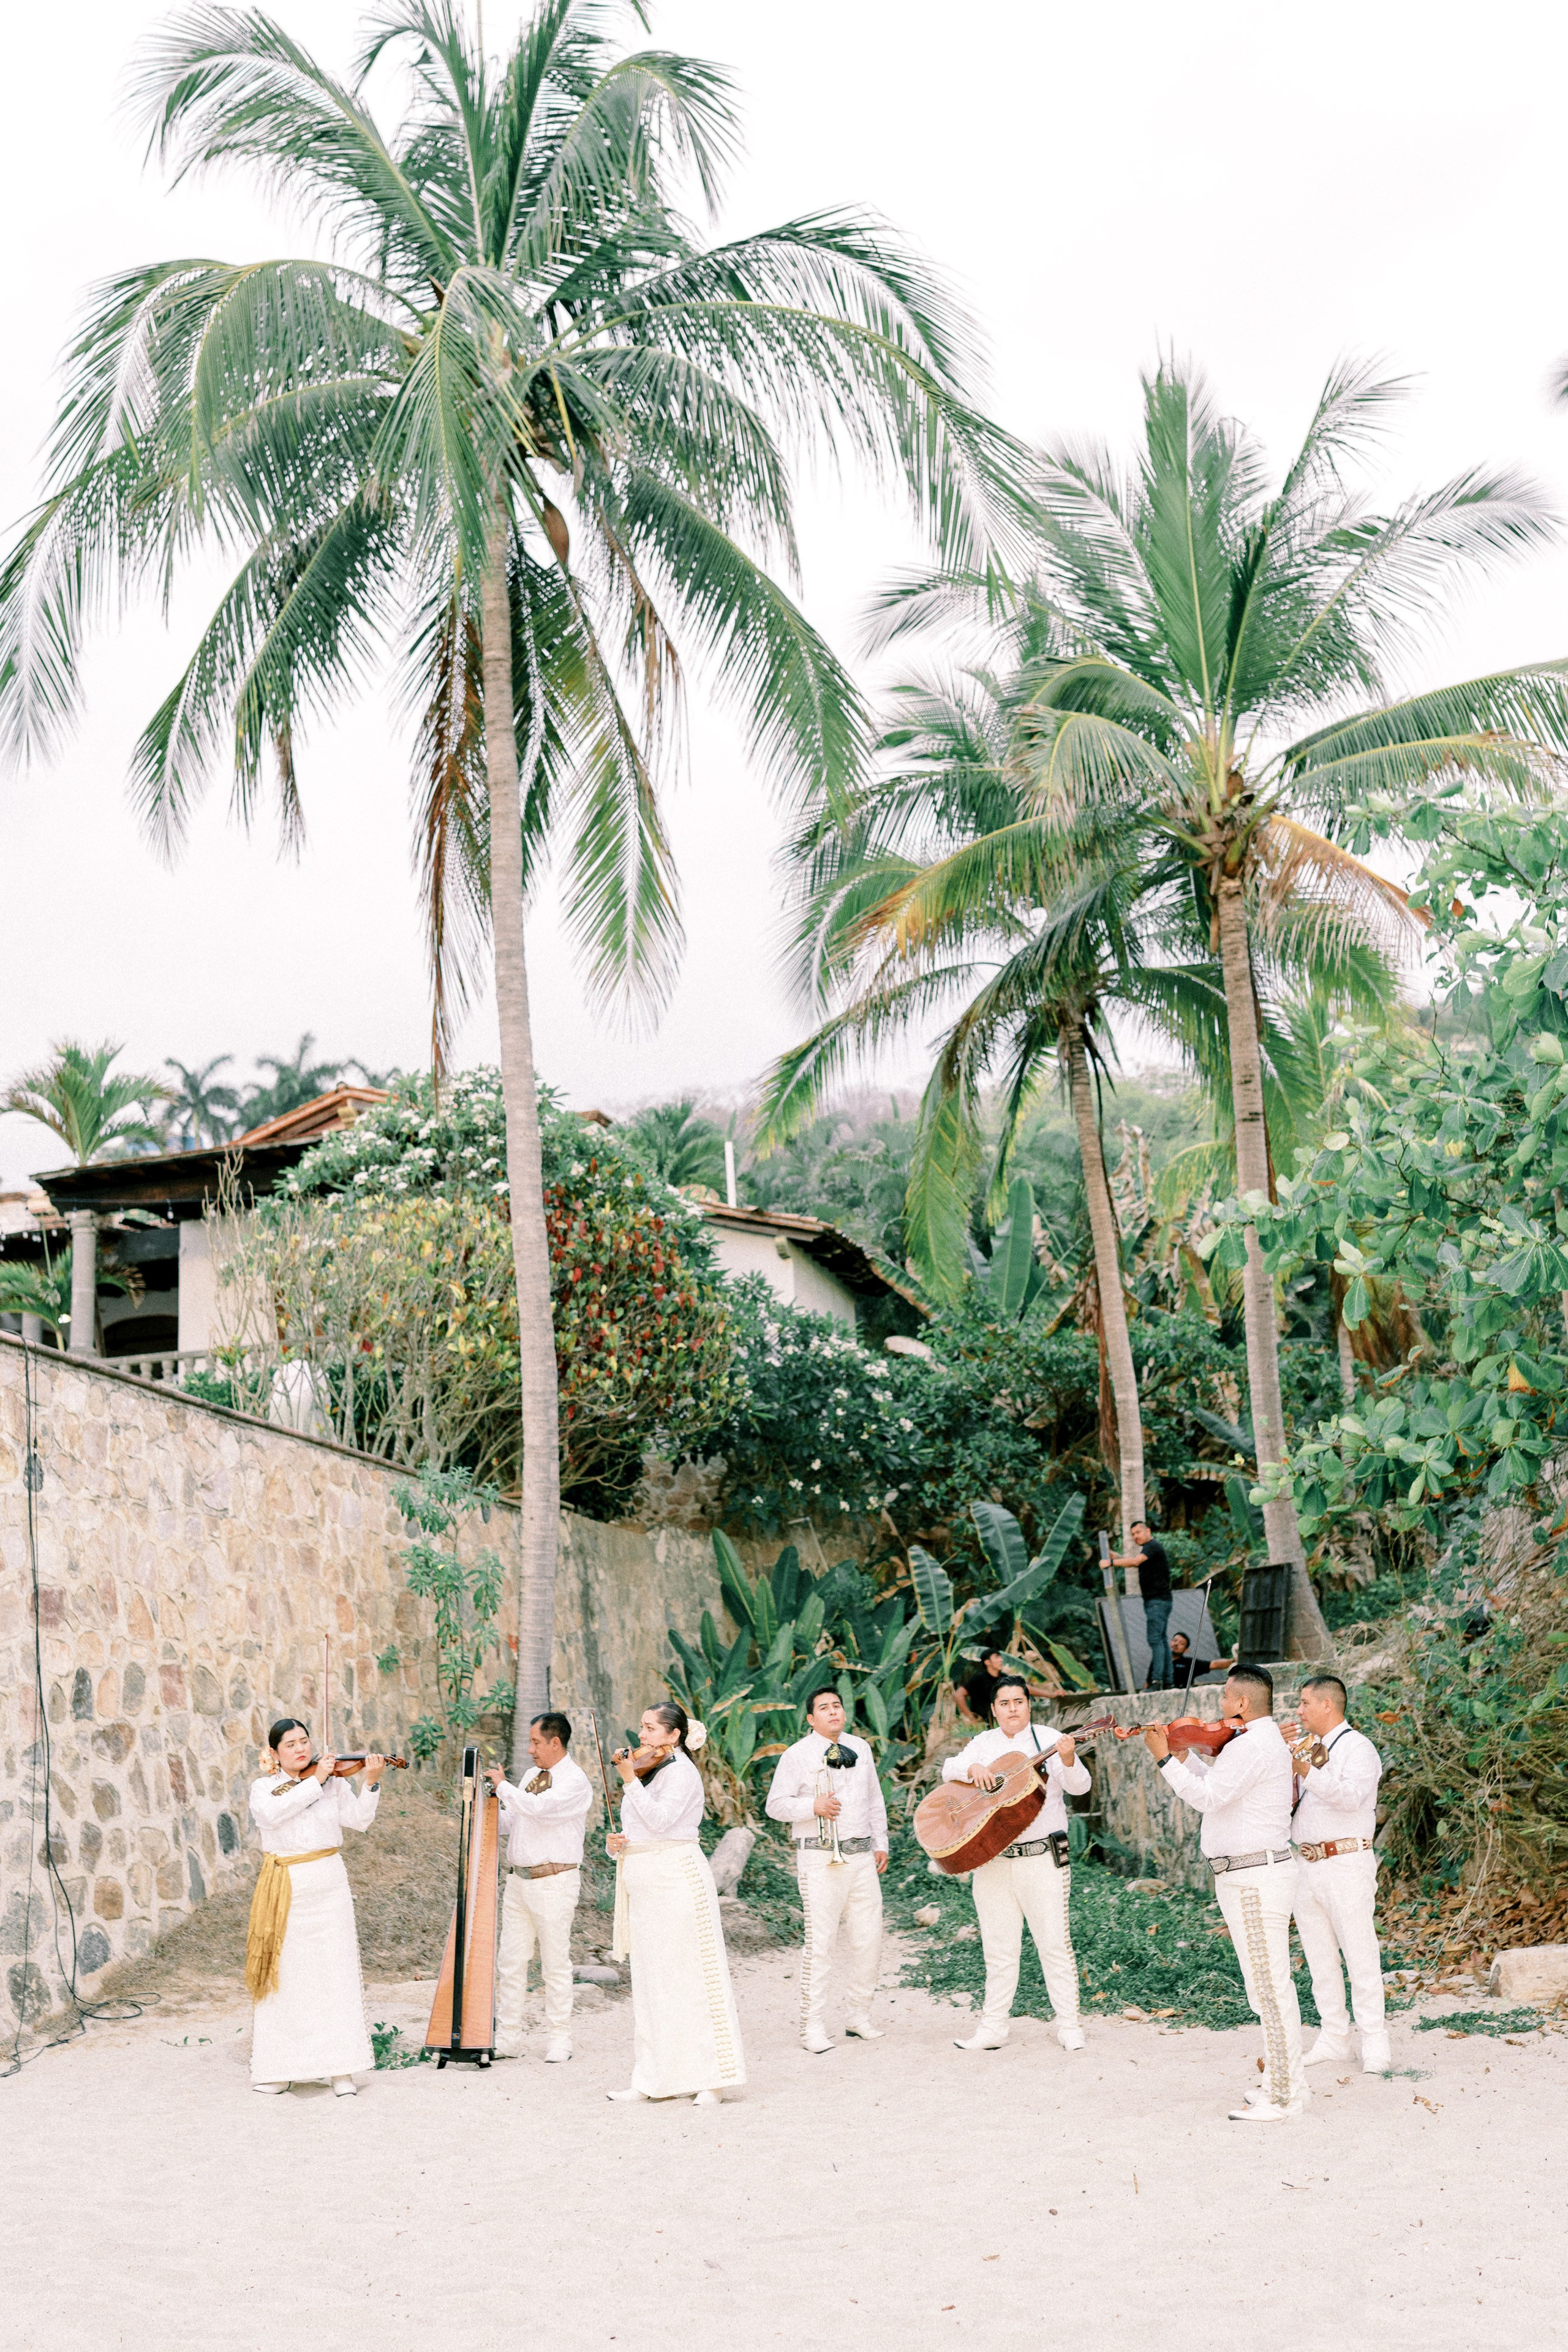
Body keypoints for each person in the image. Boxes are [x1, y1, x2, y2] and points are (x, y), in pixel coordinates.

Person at [1142, 1665, 1306, 2121]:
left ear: (1241, 1704)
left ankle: (1286, 2096)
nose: (1219, 1709)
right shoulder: (1254, 1741)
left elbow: (1210, 1797)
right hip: (1249, 1876)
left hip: (1254, 1878)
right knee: (1265, 1988)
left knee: (1270, 1991)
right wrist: (1179, 1751)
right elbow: (1218, 1783)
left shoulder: (1252, 1744)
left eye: (1224, 1700)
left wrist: (1161, 1760)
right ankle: (1280, 2080)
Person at [940, 1673, 1091, 2054]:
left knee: (1054, 1944)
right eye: (1004, 1703)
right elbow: (949, 1769)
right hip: (992, 1858)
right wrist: (972, 1770)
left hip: (1042, 1858)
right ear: (993, 1710)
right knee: (998, 1947)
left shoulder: (1048, 1738)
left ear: (1029, 1704)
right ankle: (993, 2028)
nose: (1013, 1709)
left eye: (1019, 1702)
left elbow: (1080, 1787)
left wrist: (1070, 1759)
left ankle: (1070, 2025)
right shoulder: (984, 1742)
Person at [604, 1702, 746, 2106]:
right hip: (646, 1885)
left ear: (674, 1735)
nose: (641, 1736)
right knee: (652, 1985)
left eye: (650, 1728)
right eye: (642, 1727)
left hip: (678, 1882)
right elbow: (639, 1828)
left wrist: (629, 1779)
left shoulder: (682, 1772)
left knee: (692, 1979)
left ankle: (711, 2080)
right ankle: (653, 2078)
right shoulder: (650, 1772)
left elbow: (664, 1822)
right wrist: (617, 1844)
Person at [246, 1717, 386, 2097]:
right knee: (285, 1976)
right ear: (274, 1754)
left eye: (305, 1741)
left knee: (333, 1973)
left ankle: (341, 2070)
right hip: (285, 1886)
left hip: (328, 1883)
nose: (301, 1749)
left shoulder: (333, 1782)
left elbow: (358, 1821)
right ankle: (280, 2069)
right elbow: (272, 1816)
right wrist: (316, 1781)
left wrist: (370, 1782)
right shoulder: (265, 1788)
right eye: (290, 1744)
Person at [765, 1688, 889, 2054]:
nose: (833, 1712)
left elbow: (874, 1797)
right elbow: (775, 1805)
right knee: (821, 1943)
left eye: (837, 1705)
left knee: (869, 1940)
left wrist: (880, 1841)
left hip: (861, 1856)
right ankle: (812, 2026)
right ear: (811, 1719)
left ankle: (858, 2016)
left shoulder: (861, 1747)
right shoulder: (796, 1755)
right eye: (824, 1708)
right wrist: (812, 1805)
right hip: (820, 1859)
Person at [1289, 1673, 1390, 2075]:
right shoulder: (1307, 1748)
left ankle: (1375, 2040)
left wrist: (1306, 1771)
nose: (1299, 1711)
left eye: (1304, 1703)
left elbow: (1349, 1798)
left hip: (1346, 1862)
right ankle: (1334, 2037)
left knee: (1360, 1953)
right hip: (1307, 1864)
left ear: (1327, 1705)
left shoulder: (1358, 1749)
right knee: (1319, 1958)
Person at [484, 1711, 592, 2064]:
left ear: (555, 1742)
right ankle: (508, 2039)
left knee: (555, 1964)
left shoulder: (574, 1781)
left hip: (554, 1882)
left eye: (536, 1742)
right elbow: (514, 1820)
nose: (530, 1750)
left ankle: (560, 2039)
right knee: (510, 1962)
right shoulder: (533, 1776)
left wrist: (504, 1787)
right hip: (519, 1882)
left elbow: (539, 1810)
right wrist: (484, 1804)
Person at [1112, 1521, 1173, 1689]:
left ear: (1148, 1531)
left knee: (1155, 1640)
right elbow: (1135, 1560)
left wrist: (1111, 1564)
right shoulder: (1150, 1549)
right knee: (1161, 1640)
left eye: (1138, 1532)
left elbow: (1135, 1562)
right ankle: (1167, 1681)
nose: (1135, 1537)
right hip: (1159, 1601)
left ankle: (1157, 1681)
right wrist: (1116, 1557)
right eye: (1133, 1534)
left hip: (1157, 1602)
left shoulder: (1152, 1546)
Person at [1169, 1630, 1235, 1687]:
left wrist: (1234, 1660)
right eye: (1175, 1641)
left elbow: (1214, 1664)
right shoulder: (1160, 1661)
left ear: (1186, 1650)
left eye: (1182, 1643)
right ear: (1170, 1643)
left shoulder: (1190, 1664)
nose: (1176, 1644)